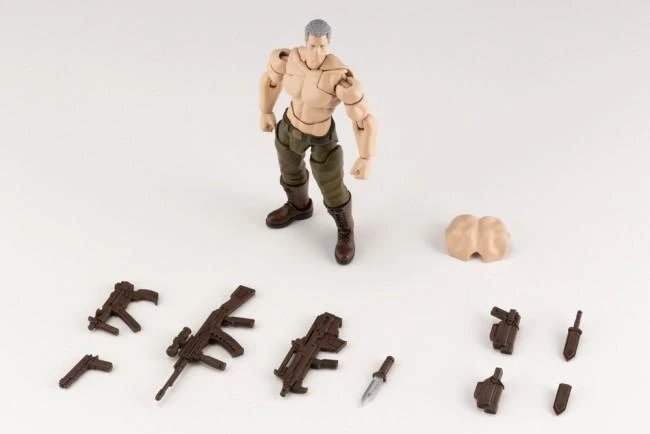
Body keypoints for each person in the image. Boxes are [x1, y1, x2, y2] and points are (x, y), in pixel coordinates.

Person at [258, 19, 377, 265]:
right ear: (306, 42)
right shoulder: (288, 59)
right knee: (289, 172)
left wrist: (365, 157)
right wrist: (266, 111)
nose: (317, 52)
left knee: (331, 187)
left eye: (322, 46)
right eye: (313, 45)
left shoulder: (338, 76)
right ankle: (298, 206)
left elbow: (363, 119)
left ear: (328, 44)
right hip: (290, 126)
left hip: (321, 135)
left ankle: (345, 230)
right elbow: (270, 81)